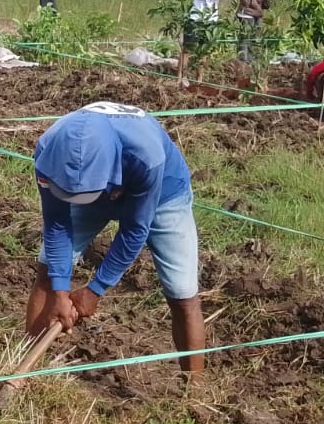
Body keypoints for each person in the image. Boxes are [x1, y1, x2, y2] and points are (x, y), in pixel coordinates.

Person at [24, 101, 205, 375]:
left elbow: (134, 230)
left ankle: (195, 396)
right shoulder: (49, 153)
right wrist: (61, 291)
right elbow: (57, 223)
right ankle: (25, 368)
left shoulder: (146, 156)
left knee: (182, 294)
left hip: (162, 195)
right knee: (48, 272)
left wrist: (96, 289)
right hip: (87, 189)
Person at [182, 0, 235, 81]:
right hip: (195, 15)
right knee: (187, 49)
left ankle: (199, 80)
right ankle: (181, 78)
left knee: (204, 51)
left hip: (211, 18)